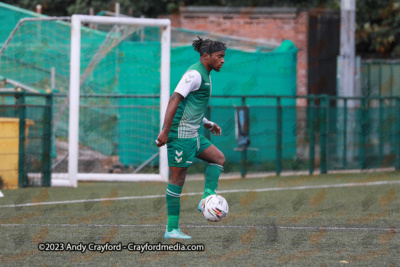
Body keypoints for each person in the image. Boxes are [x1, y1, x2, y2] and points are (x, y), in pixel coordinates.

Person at [156, 36, 227, 239]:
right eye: (219, 57)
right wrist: (166, 130)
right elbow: (175, 99)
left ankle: (207, 197)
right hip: (179, 135)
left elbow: (191, 105)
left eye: (223, 57)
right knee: (178, 180)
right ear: (206, 56)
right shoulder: (194, 74)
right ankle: (171, 229)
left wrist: (206, 123)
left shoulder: (206, 73)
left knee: (218, 158)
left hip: (193, 133)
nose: (223, 60)